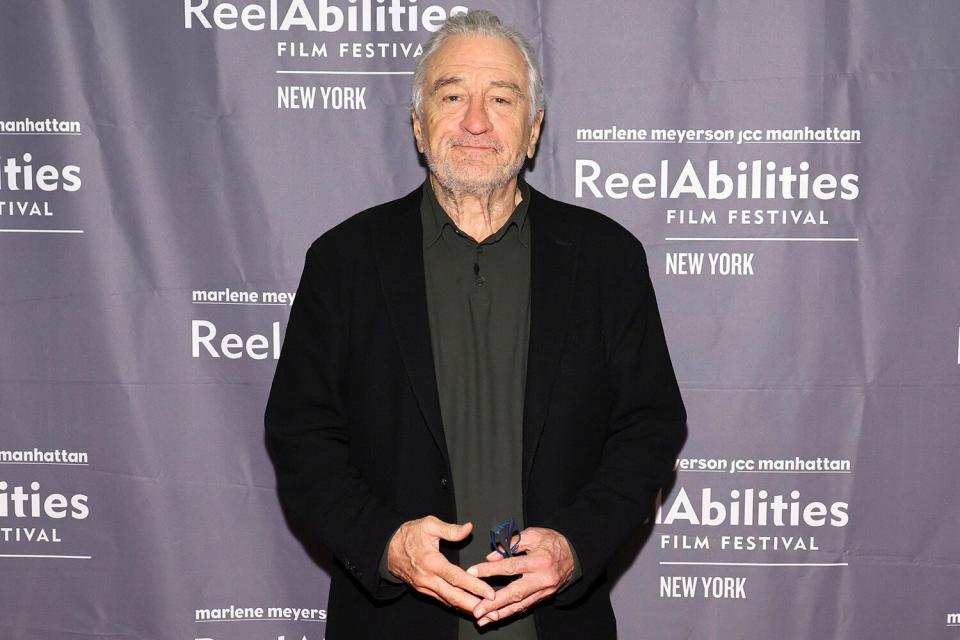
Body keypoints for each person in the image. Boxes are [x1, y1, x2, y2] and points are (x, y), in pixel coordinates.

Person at [265, 10, 686, 640]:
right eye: (452, 95)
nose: (476, 121)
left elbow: (650, 427)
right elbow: (302, 436)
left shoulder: (605, 259)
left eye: (502, 97)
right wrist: (386, 544)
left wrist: (574, 545)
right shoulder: (344, 261)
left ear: (534, 128)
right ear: (417, 123)